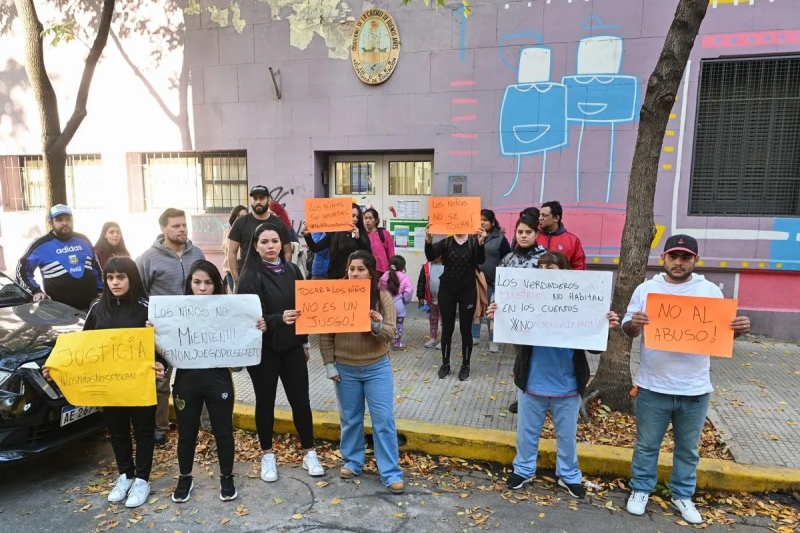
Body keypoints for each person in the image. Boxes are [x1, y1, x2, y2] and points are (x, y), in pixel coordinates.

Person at [622, 234, 751, 524]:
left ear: (695, 260)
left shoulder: (709, 291)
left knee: (688, 449)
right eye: (673, 257)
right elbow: (626, 328)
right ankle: (641, 489)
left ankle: (682, 494)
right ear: (663, 259)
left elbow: (723, 332)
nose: (678, 263)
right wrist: (634, 324)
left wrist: (739, 328)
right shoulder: (646, 289)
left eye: (685, 258)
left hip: (695, 388)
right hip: (653, 385)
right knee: (646, 445)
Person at [487, 250, 619, 499]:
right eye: (541, 267)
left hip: (567, 385)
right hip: (532, 382)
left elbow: (593, 346)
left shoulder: (579, 301)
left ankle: (569, 475)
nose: (545, 272)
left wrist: (605, 326)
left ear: (565, 272)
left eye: (551, 268)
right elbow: (509, 334)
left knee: (567, 436)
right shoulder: (527, 298)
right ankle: (524, 469)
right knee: (526, 432)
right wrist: (498, 316)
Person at [44, 257, 166, 508]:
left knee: (144, 432)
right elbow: (82, 348)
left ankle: (142, 479)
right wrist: (56, 368)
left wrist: (161, 364)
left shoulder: (148, 309)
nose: (115, 282)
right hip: (109, 388)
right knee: (118, 431)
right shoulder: (97, 308)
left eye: (121, 277)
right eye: (110, 277)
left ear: (131, 278)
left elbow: (164, 350)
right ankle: (125, 475)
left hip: (139, 386)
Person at [167, 260, 266, 503]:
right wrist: (154, 329)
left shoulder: (228, 310)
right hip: (186, 382)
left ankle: (226, 477)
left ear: (216, 285)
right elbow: (163, 345)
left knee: (223, 432)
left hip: (219, 380)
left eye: (208, 283)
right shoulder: (175, 312)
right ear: (189, 284)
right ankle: (185, 477)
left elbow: (243, 333)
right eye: (197, 282)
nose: (202, 288)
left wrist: (258, 327)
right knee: (187, 433)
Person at [236, 222, 324, 483]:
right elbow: (250, 317)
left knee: (301, 402)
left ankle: (309, 452)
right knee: (265, 403)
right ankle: (267, 455)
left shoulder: (294, 270)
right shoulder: (249, 276)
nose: (270, 246)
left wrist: (305, 342)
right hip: (263, 351)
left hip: (292, 347)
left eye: (274, 241)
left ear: (282, 244)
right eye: (264, 242)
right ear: (255, 246)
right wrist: (277, 319)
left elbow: (305, 310)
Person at [319, 250, 403, 494]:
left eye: (360, 269)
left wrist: (375, 324)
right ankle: (353, 461)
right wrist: (329, 364)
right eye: (351, 268)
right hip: (345, 368)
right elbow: (326, 333)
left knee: (383, 419)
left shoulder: (382, 297)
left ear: (371, 272)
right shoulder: (336, 295)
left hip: (377, 367)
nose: (355, 273)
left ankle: (390, 472)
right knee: (350, 418)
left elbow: (390, 335)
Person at [136, 208, 206, 445]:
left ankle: (202, 424)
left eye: (184, 225)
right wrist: (149, 318)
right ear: (163, 229)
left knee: (198, 378)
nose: (182, 229)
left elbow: (207, 284)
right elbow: (139, 294)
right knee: (161, 381)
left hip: (194, 330)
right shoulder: (147, 259)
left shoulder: (197, 253)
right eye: (176, 226)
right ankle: (159, 427)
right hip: (163, 333)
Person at [424, 225, 486, 381]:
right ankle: (445, 364)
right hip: (447, 291)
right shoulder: (447, 242)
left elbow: (481, 260)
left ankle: (466, 365)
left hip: (468, 291)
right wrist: (428, 240)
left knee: (466, 330)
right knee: (447, 329)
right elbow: (431, 256)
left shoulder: (473, 242)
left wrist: (481, 243)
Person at [16, 204, 103, 311]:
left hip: (92, 307)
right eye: (59, 220)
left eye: (68, 219)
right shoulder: (39, 245)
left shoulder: (84, 240)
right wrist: (36, 291)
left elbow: (96, 268)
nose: (65, 223)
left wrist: (101, 290)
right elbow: (22, 270)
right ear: (50, 222)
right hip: (60, 312)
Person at [227, 186, 293, 286]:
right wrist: (236, 279)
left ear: (268, 200)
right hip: (246, 278)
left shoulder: (279, 224)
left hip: (274, 278)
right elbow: (231, 252)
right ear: (251, 200)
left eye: (262, 198)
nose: (258, 201)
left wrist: (284, 274)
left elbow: (287, 252)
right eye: (255, 198)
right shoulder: (240, 223)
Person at [473, 209, 511, 352]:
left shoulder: (500, 238)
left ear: (492, 222)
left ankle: (492, 339)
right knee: (475, 308)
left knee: (492, 310)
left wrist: (502, 279)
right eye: (480, 220)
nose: (482, 222)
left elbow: (507, 258)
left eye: (485, 220)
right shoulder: (473, 236)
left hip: (493, 281)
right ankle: (474, 336)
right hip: (476, 279)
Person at [302, 203, 370, 280]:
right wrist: (307, 235)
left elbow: (368, 254)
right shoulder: (334, 232)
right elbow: (316, 248)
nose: (355, 219)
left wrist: (358, 238)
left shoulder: (361, 232)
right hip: (336, 277)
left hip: (356, 277)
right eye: (352, 216)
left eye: (357, 217)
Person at [537, 200, 586, 271]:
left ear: (556, 218)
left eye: (544, 215)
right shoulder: (533, 237)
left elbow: (579, 269)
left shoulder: (572, 241)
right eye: (540, 215)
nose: (540, 218)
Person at [379, 255, 413, 350]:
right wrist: (405, 301)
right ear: (403, 267)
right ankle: (397, 343)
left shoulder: (384, 275)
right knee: (399, 325)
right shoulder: (404, 277)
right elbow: (409, 291)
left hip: (385, 306)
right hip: (399, 306)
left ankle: (384, 342)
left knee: (385, 324)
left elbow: (379, 289)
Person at [416, 260, 443, 349]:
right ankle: (433, 337)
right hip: (432, 298)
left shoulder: (447, 264)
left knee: (445, 320)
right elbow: (421, 282)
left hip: (445, 299)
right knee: (433, 318)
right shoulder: (427, 266)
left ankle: (444, 339)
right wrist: (421, 296)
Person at [222, 205, 248, 292]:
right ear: (234, 217)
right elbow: (227, 251)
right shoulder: (228, 232)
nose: (242, 219)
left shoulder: (247, 232)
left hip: (244, 271)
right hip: (231, 272)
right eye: (240, 216)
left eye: (245, 217)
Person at [363, 208, 395, 278]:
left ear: (376, 220)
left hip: (383, 271)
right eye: (365, 218)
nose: (367, 221)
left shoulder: (384, 234)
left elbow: (391, 253)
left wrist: (392, 269)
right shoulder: (362, 234)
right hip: (367, 270)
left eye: (370, 218)